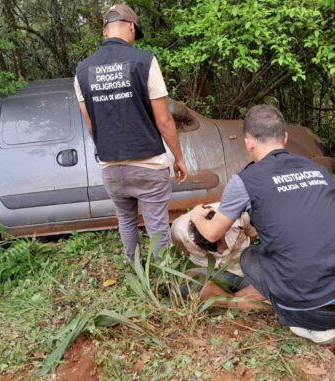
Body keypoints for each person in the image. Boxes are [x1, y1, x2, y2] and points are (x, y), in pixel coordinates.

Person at [189, 104, 335, 344]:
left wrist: (196, 214)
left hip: (309, 314)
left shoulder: (246, 181)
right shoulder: (319, 171)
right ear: (285, 138)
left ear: (248, 142)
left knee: (251, 256)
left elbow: (212, 233)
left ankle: (236, 302)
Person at [74, 4, 187, 261]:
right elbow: (164, 120)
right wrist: (178, 157)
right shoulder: (144, 61)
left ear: (105, 32)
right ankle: (164, 279)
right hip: (148, 162)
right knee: (157, 225)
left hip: (110, 166)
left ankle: (136, 270)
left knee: (125, 220)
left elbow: (91, 124)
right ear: (131, 27)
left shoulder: (82, 71)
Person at [171, 202, 257, 295]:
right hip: (213, 274)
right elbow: (185, 252)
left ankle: (228, 299)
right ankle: (236, 298)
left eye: (222, 241)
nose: (221, 251)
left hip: (245, 270)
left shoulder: (240, 215)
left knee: (270, 283)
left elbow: (252, 236)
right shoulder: (179, 232)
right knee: (183, 288)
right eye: (216, 248)